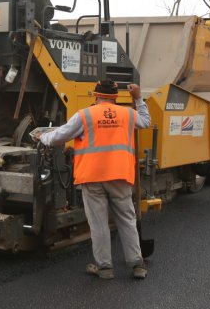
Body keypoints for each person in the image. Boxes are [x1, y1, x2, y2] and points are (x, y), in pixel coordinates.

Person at [36, 79, 151, 280]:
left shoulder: (85, 115)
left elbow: (57, 137)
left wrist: (42, 137)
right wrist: (138, 98)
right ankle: (137, 265)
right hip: (121, 176)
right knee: (127, 220)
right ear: (115, 97)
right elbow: (146, 121)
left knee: (98, 224)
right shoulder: (127, 114)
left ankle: (105, 268)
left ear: (96, 95)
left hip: (93, 177)